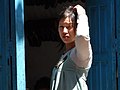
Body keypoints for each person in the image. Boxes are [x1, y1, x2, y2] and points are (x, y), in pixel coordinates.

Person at [50, 4, 92, 90]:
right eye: (61, 27)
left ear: (77, 28)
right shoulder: (65, 56)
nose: (64, 31)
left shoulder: (79, 55)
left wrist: (82, 14)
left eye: (69, 27)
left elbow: (82, 37)